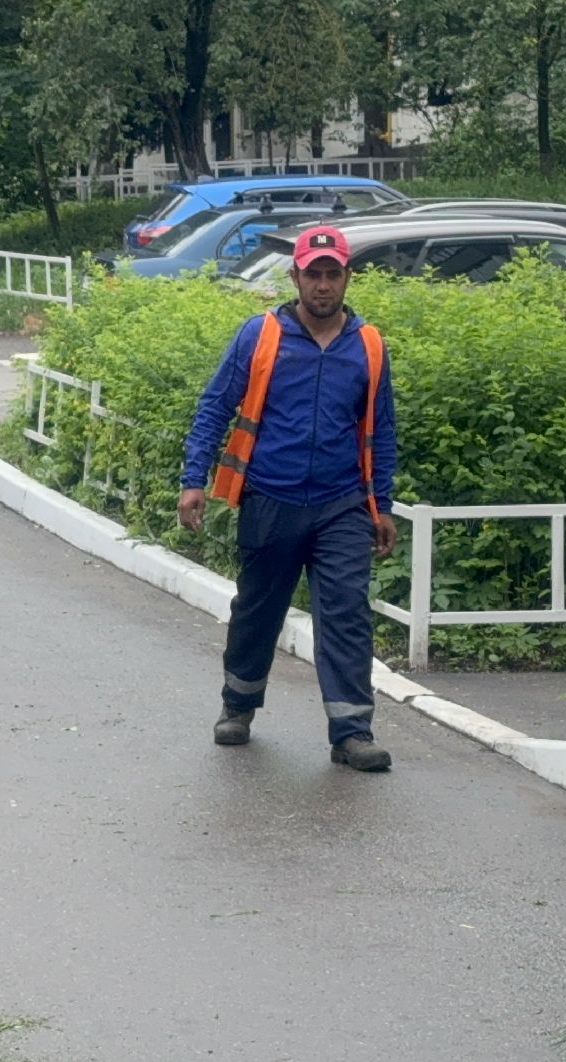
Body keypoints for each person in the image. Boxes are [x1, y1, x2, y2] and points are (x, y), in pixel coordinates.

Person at [178, 225, 399, 772]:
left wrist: (383, 505)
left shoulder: (368, 345)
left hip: (341, 503)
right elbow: (213, 408)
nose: (323, 285)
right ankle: (238, 705)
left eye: (333, 274)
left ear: (348, 277)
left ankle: (352, 731)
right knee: (257, 610)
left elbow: (383, 429)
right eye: (313, 274)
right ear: (295, 276)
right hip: (270, 498)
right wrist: (193, 480)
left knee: (347, 611)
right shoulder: (261, 336)